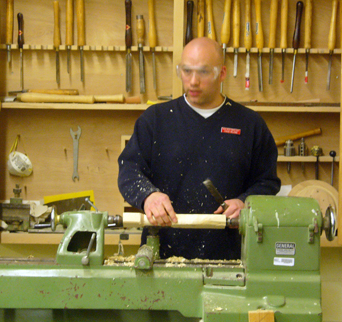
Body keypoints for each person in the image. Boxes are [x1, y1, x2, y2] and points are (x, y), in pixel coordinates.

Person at [118, 37, 280, 260]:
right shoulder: (155, 120)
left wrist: (246, 202)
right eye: (186, 71)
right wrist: (148, 196)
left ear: (222, 73)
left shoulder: (250, 125)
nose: (193, 81)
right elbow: (129, 171)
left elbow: (267, 182)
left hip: (230, 258)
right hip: (162, 257)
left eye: (203, 72)